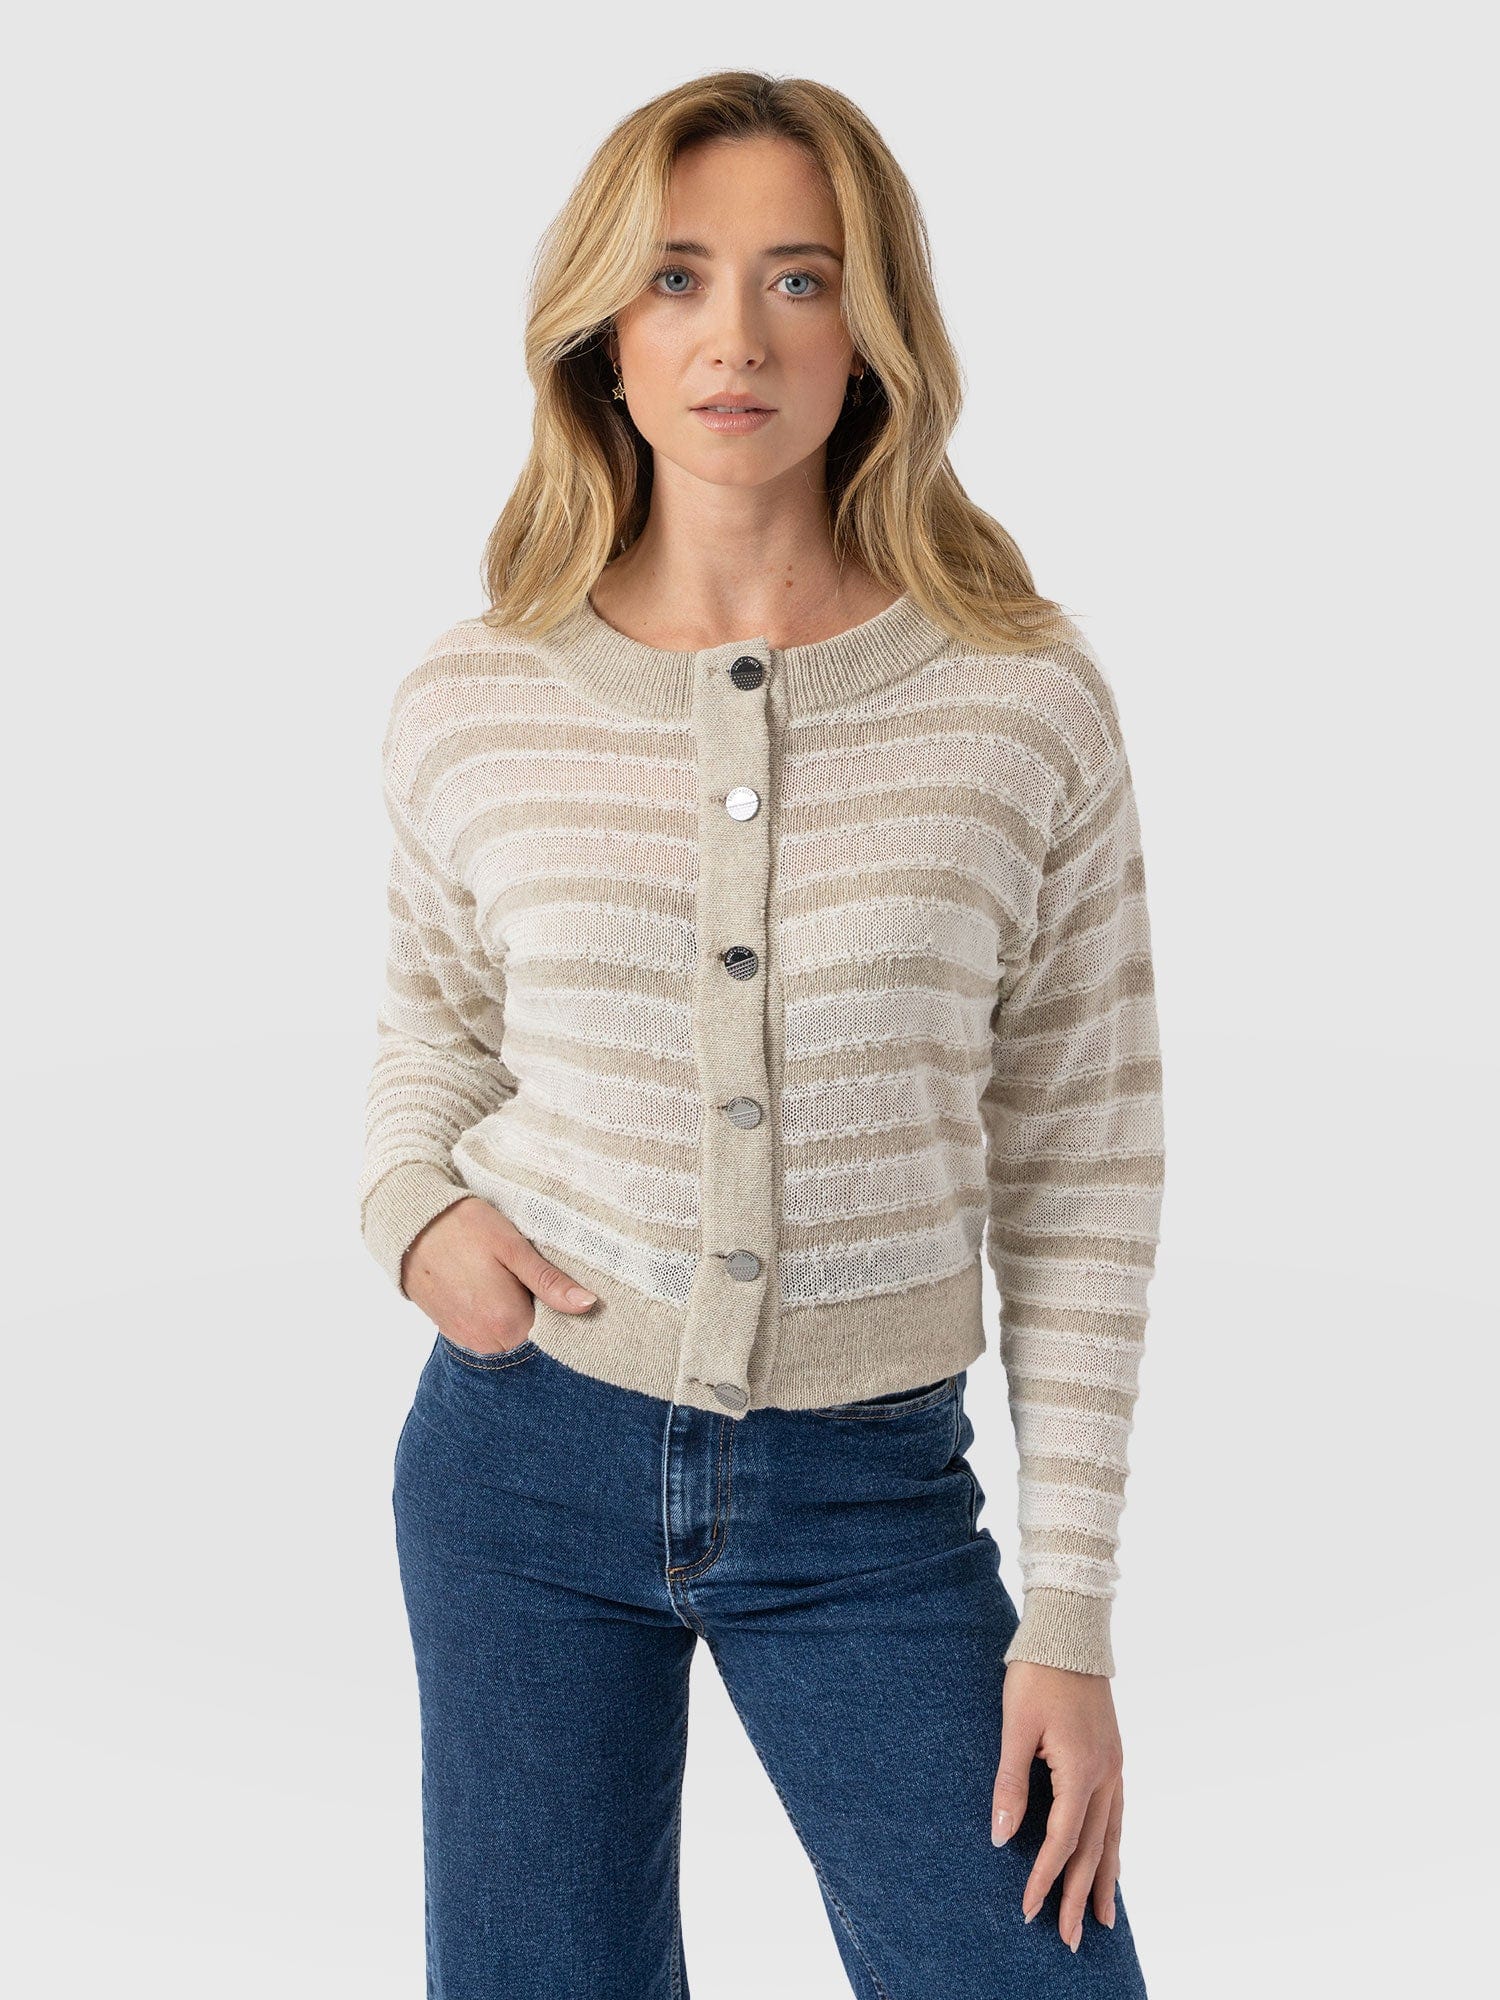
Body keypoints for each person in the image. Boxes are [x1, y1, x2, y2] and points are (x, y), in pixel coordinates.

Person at [357, 68, 1165, 2000]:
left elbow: (1085, 1164)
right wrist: (411, 1213)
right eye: (677, 278)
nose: (737, 336)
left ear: (873, 331)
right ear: (602, 339)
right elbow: (433, 1034)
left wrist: (1067, 1620)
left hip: (874, 1497)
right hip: (519, 1463)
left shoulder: (1018, 700)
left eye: (800, 278)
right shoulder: (477, 694)